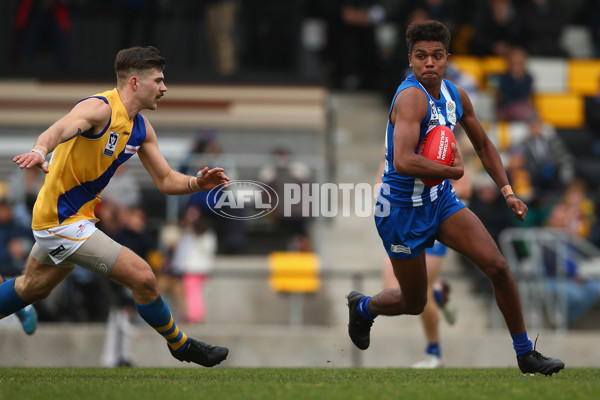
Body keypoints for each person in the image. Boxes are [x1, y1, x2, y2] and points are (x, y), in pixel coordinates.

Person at [347, 20, 564, 376]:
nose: (428, 63)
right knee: (414, 302)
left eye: (436, 56)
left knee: (498, 267)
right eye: (421, 57)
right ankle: (363, 308)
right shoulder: (410, 97)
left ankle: (526, 354)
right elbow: (402, 161)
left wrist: (507, 191)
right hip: (400, 210)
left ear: (447, 58)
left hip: (440, 202)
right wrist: (451, 170)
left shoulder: (455, 95)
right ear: (411, 60)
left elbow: (483, 144)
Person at [1, 46, 230, 367]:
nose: (164, 88)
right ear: (135, 82)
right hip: (61, 219)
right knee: (143, 277)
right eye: (159, 80)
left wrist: (196, 183)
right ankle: (181, 345)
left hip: (76, 217)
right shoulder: (100, 109)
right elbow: (60, 128)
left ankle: (16, 303)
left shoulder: (141, 128)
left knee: (30, 289)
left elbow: (164, 179)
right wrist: (41, 149)